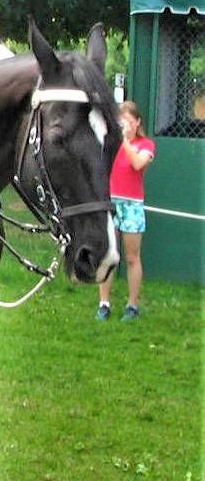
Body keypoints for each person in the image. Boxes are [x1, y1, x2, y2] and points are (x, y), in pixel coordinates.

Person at [97, 100, 155, 321]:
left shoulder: (145, 145)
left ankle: (132, 305)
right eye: (121, 121)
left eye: (129, 122)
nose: (125, 125)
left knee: (132, 257)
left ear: (137, 122)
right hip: (111, 202)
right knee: (109, 255)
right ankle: (103, 303)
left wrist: (125, 140)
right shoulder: (110, 144)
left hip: (132, 205)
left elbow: (138, 164)